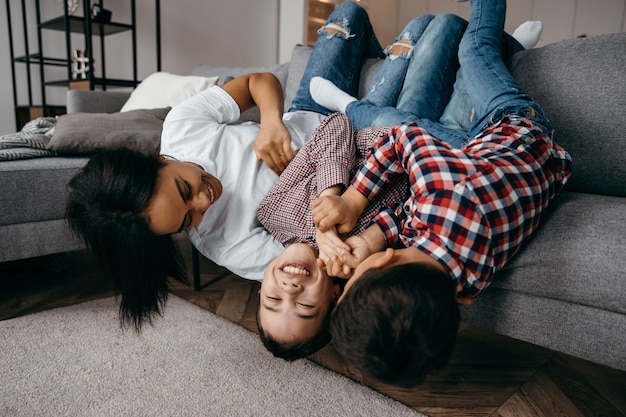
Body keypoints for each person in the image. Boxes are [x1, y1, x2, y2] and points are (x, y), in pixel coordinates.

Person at [66, 1, 385, 331]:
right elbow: (311, 263)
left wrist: (271, 122)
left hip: (308, 110)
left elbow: (257, 82)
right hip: (357, 161)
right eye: (187, 220)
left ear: (158, 160)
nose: (204, 202)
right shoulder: (222, 243)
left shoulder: (181, 128)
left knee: (349, 13)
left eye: (184, 189)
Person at [311, 0, 571, 387]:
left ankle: (513, 48)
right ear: (383, 264)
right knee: (473, 50)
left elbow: (408, 220)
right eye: (351, 284)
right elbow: (404, 139)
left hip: (519, 171)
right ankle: (499, 33)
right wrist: (352, 200)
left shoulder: (467, 284)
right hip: (517, 127)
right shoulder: (443, 197)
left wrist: (368, 240)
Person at [255, 11, 543, 360]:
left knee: (437, 26)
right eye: (304, 306)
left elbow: (335, 128)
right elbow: (413, 217)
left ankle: (503, 52)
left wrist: (332, 204)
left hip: (400, 141)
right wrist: (367, 239)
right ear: (333, 296)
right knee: (452, 40)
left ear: (261, 287)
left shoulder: (273, 212)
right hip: (447, 151)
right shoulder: (377, 272)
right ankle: (507, 51)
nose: (289, 289)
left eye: (273, 299)